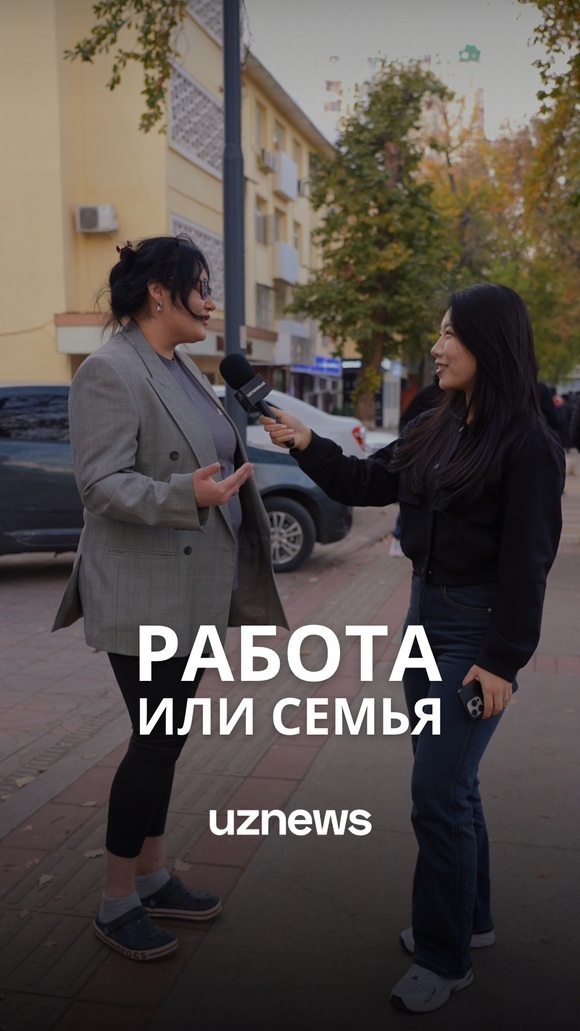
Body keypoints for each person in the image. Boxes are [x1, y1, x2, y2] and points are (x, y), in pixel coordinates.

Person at [259, 283, 564, 1013]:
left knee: (436, 792)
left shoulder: (529, 445)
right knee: (453, 784)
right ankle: (471, 920)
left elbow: (529, 564)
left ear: (489, 341)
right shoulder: (436, 419)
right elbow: (369, 481)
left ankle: (442, 956)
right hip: (423, 620)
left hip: (475, 631)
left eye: (451, 333)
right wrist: (306, 443)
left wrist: (502, 660)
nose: (437, 345)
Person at [53, 235, 287, 962]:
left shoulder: (179, 364)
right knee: (154, 743)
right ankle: (116, 899)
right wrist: (186, 496)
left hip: (193, 591)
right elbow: (100, 484)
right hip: (143, 593)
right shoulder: (110, 369)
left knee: (168, 741)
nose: (211, 302)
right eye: (200, 286)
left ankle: (152, 876)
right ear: (159, 292)